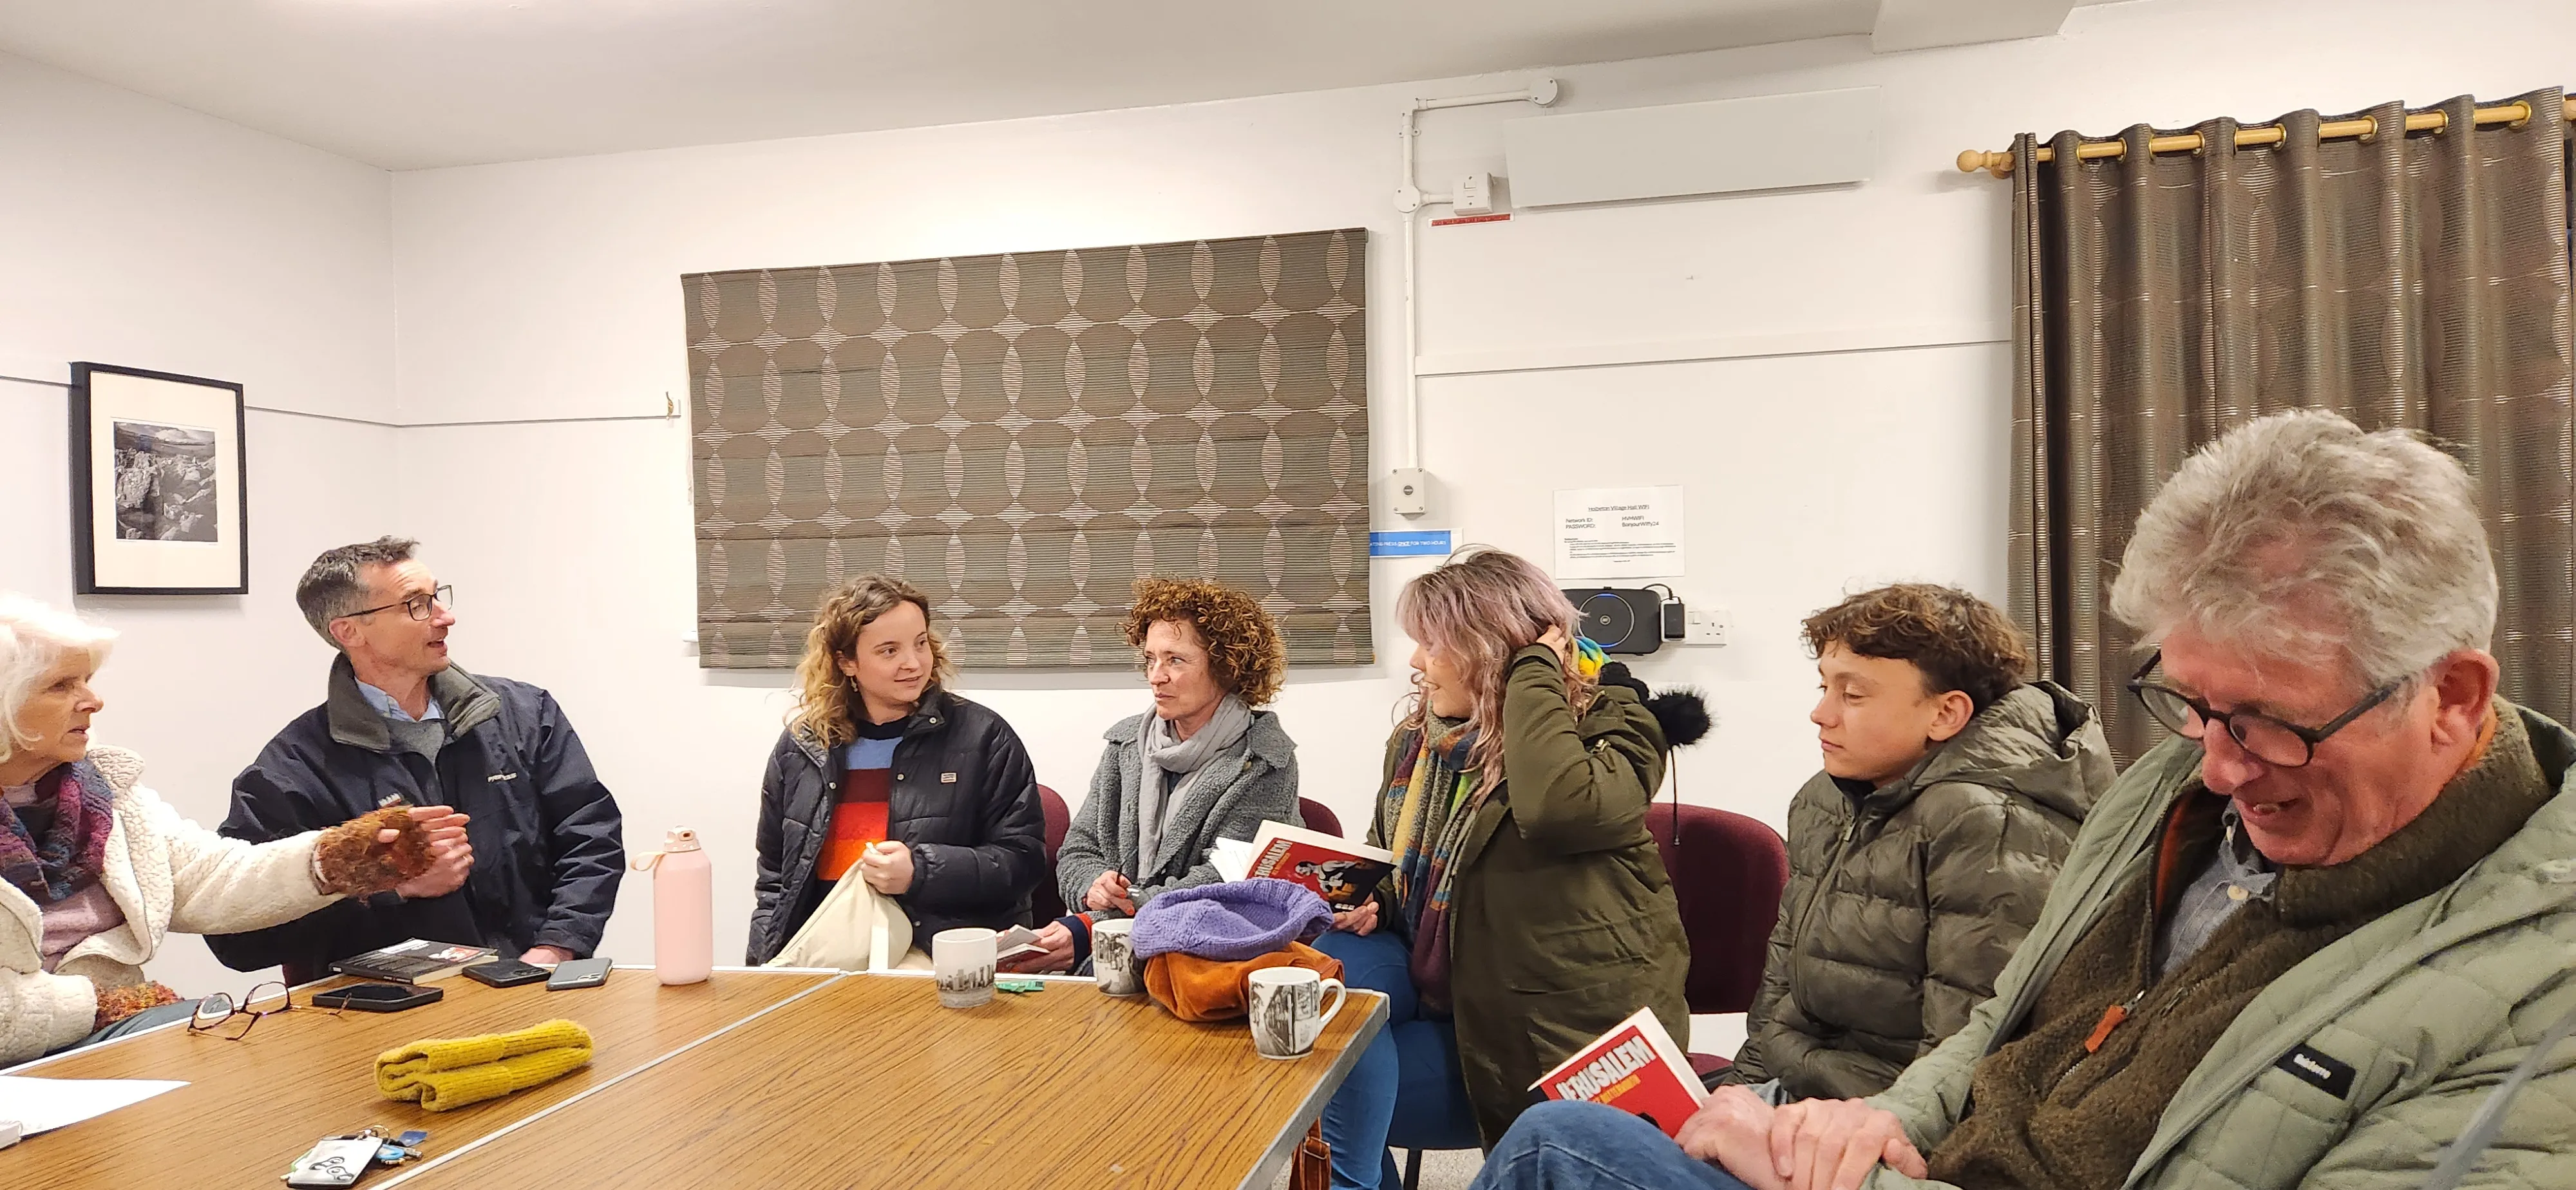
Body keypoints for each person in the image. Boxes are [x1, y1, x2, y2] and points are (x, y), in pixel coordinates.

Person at [1473, 409, 2576, 1190]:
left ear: (2451, 696)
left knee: (1561, 1151)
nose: (2220, 766)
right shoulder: (2164, 794)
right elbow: (2002, 1026)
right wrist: (1864, 1125)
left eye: (2270, 722)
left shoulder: (2537, 996)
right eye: (2190, 704)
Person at [1316, 546, 1699, 1189]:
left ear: (1492, 649)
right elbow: (1396, 854)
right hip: (1454, 1001)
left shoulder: (1613, 727)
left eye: (1432, 645)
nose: (1414, 664)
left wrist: (1532, 672)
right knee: (1304, 1059)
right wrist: (1379, 895)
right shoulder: (1420, 742)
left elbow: (1558, 808)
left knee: (1322, 1091)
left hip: (1550, 1044)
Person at [0, 594, 466, 1063]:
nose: (94, 701)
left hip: (113, 1041)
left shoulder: (103, 792)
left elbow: (208, 876)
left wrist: (341, 858)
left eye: (88, 680)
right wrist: (104, 1006)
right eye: (61, 686)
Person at [1721, 584, 2112, 1104]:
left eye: (1852, 695)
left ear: (1946, 714)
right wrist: (1733, 1097)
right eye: (1824, 688)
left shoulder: (1985, 822)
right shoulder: (1825, 800)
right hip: (1800, 1092)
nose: (1822, 714)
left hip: (1880, 1124)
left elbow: (1964, 1057)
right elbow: (1780, 991)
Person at [206, 537, 624, 980]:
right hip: (381, 1024)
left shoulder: (525, 714)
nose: (446, 617)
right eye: (416, 604)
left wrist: (557, 947)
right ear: (349, 631)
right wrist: (392, 889)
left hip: (535, 988)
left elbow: (591, 837)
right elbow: (237, 937)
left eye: (437, 597)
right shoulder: (293, 769)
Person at [746, 574, 1045, 963]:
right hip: (826, 957)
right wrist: (758, 972)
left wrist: (920, 871)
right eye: (889, 651)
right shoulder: (802, 748)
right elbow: (774, 882)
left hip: (942, 958)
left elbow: (1023, 862)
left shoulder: (984, 737)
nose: (913, 663)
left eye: (921, 643)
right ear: (846, 662)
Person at [1010, 577, 1301, 974]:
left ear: (1226, 668)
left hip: (1206, 960)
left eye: (1175, 660)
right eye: (1150, 659)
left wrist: (1091, 928)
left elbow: (1224, 885)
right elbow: (1079, 848)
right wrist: (1093, 886)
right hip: (1108, 954)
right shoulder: (1125, 744)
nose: (1156, 676)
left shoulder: (1266, 760)